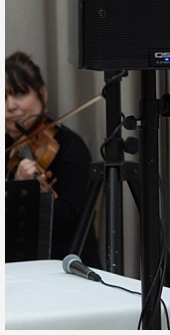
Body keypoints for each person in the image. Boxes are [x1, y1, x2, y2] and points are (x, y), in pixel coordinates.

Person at [6, 51, 101, 268]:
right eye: (3, 97)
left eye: (20, 93)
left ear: (42, 94)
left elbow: (68, 224)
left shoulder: (68, 148)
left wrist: (29, 191)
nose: (10, 106)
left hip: (66, 266)